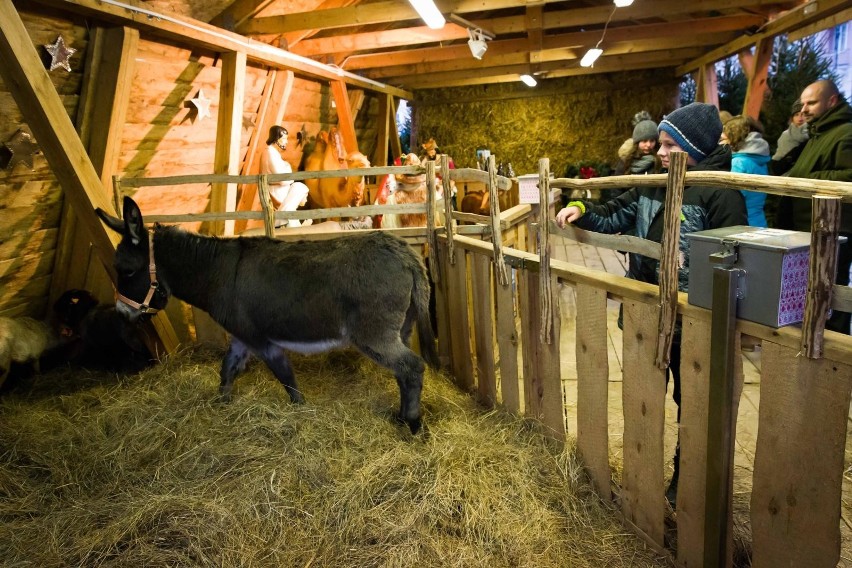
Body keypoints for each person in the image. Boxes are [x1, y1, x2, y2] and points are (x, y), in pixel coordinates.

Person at [556, 102, 748, 507]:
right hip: (645, 310)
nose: (659, 153)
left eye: (668, 145)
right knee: (643, 394)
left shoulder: (720, 192)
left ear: (692, 145)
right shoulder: (651, 181)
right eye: (659, 144)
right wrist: (582, 209)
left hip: (694, 320)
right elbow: (615, 214)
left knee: (692, 402)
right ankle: (642, 472)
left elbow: (731, 257)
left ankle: (687, 478)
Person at [775, 79, 852, 335]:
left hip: (834, 229)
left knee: (831, 288)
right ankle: (813, 336)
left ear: (832, 101)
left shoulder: (845, 133)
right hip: (808, 225)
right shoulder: (816, 134)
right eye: (803, 103)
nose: (804, 108)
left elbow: (848, 175)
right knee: (811, 286)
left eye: (812, 102)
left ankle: (834, 347)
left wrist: (807, 178)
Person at [722, 115, 770, 227]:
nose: (721, 138)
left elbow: (729, 199)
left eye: (724, 137)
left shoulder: (738, 163)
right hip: (758, 222)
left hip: (742, 225)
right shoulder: (757, 159)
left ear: (735, 136)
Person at [260, 125, 311, 228]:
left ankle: (292, 222)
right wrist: (288, 168)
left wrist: (287, 169)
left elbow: (285, 174)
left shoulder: (273, 153)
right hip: (276, 192)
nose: (286, 141)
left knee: (299, 187)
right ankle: (285, 221)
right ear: (276, 139)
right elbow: (283, 179)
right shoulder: (269, 153)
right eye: (284, 139)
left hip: (280, 189)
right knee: (300, 187)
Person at [769, 99, 809, 176]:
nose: (800, 118)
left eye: (803, 114)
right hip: (783, 173)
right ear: (792, 117)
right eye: (796, 114)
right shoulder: (785, 135)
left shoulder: (812, 134)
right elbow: (779, 157)